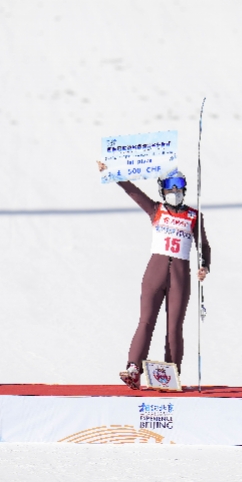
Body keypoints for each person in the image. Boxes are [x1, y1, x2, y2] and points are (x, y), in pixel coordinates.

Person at [97, 162, 211, 389]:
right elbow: (134, 192)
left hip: (180, 275)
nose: (175, 191)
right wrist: (111, 173)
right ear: (162, 189)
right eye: (170, 186)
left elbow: (204, 245)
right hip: (155, 271)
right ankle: (133, 367)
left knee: (174, 326)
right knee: (146, 321)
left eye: (179, 186)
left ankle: (172, 373)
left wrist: (204, 266)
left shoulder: (193, 215)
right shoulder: (156, 210)